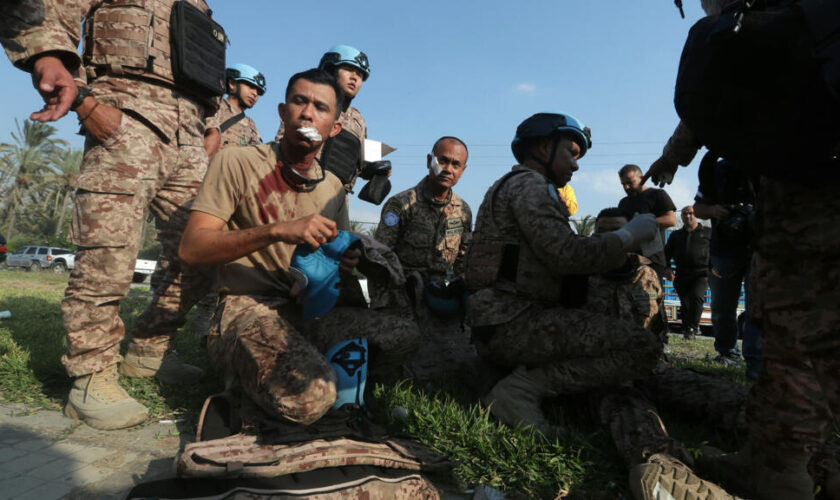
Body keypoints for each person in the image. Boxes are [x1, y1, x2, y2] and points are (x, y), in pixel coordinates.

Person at [645, 1, 840, 496]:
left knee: (797, 329)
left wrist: (673, 153)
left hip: (811, 190)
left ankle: (779, 468)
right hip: (807, 178)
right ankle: (780, 464)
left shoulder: (786, 22)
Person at [1, 0, 225, 430]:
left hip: (189, 136)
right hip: (126, 120)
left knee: (201, 255)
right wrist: (63, 74)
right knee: (108, 256)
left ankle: (147, 352)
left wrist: (207, 125)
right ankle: (90, 376)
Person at [178, 69, 417, 424]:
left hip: (307, 311)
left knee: (405, 336)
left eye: (321, 108)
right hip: (248, 308)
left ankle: (300, 370)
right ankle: (246, 381)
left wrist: (345, 262)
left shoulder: (334, 187)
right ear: (282, 111)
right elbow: (192, 249)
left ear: (334, 128)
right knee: (311, 398)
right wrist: (276, 231)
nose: (308, 113)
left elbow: (334, 257)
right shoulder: (237, 162)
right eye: (299, 102)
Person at [465, 112, 663, 436]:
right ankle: (520, 392)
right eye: (571, 153)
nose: (576, 165)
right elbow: (566, 255)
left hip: (502, 319)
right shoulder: (531, 185)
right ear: (544, 147)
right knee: (643, 346)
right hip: (515, 321)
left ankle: (511, 380)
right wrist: (628, 236)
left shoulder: (514, 184)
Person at [374, 136, 473, 381]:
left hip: (439, 296)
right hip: (401, 292)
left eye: (456, 164)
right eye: (443, 160)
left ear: (462, 170)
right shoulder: (400, 204)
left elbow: (463, 260)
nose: (448, 168)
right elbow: (380, 255)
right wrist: (397, 291)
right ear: (430, 160)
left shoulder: (463, 211)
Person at [275, 45, 373, 196]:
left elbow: (362, 163)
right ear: (330, 70)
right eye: (348, 69)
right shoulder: (309, 105)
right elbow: (282, 147)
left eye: (360, 75)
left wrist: (378, 168)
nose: (354, 77)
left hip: (336, 199)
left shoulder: (359, 121)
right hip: (299, 189)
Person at [693, 155, 760, 373]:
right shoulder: (716, 167)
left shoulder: (769, 163)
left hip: (761, 245)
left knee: (757, 307)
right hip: (725, 248)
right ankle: (727, 353)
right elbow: (699, 208)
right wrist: (715, 211)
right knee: (722, 307)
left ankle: (756, 362)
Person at [618, 163, 677, 277]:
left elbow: (671, 219)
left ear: (642, 178)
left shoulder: (657, 194)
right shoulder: (623, 202)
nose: (626, 187)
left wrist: (642, 223)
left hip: (652, 260)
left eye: (630, 182)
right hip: (629, 259)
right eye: (623, 184)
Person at [663, 206, 711, 340]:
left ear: (696, 215)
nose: (688, 216)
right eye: (684, 214)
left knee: (696, 297)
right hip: (682, 273)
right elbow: (666, 253)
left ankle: (693, 327)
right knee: (685, 303)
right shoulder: (675, 235)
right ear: (682, 216)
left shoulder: (708, 233)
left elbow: (717, 252)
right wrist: (667, 268)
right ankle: (687, 328)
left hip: (701, 273)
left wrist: (715, 268)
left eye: (691, 213)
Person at [204, 63, 265, 156]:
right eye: (251, 86)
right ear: (232, 84)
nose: (255, 94)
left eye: (258, 91)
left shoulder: (251, 127)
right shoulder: (214, 105)